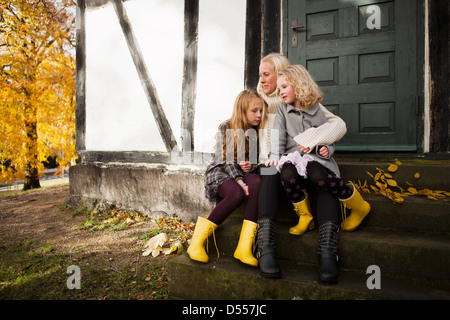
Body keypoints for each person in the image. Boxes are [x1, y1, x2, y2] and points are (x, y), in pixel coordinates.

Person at [268, 65, 371, 284]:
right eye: (279, 89)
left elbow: (328, 139)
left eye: (284, 86)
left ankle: (357, 204)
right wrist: (274, 156)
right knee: (286, 175)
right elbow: (277, 134)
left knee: (320, 178)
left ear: (299, 84)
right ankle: (305, 216)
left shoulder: (317, 110)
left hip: (316, 159)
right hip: (292, 158)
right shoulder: (282, 110)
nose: (281, 92)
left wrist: (327, 150)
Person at [255, 53, 348, 279]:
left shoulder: (304, 102)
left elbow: (337, 125)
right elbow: (238, 120)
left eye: (267, 75)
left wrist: (315, 143)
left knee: (323, 175)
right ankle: (265, 246)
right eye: (260, 75)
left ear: (283, 77)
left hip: (304, 162)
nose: (262, 81)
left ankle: (327, 251)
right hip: (272, 165)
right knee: (269, 169)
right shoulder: (257, 102)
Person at [187, 89, 267, 267]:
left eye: (261, 111)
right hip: (221, 171)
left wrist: (250, 166)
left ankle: (244, 247)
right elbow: (228, 160)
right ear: (242, 110)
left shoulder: (257, 131)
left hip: (242, 172)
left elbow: (256, 161)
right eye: (254, 111)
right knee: (237, 194)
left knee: (256, 181)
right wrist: (239, 179)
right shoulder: (227, 127)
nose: (259, 115)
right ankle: (196, 243)